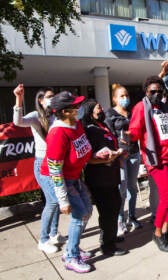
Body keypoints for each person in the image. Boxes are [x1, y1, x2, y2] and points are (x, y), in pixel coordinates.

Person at [128, 76, 168, 252]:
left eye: (160, 91)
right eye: (153, 91)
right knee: (166, 197)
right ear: (146, 91)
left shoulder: (163, 107)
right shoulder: (141, 107)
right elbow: (135, 131)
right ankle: (158, 233)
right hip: (156, 159)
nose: (156, 94)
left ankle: (166, 231)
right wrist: (125, 136)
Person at [40, 91, 93, 273]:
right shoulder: (57, 134)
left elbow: (83, 149)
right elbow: (54, 169)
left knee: (87, 211)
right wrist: (62, 199)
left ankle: (72, 246)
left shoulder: (76, 124)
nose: (79, 108)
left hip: (74, 176)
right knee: (79, 215)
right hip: (61, 179)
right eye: (75, 106)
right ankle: (70, 257)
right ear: (64, 111)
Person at [13, 84, 66, 254]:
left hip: (56, 164)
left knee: (57, 199)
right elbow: (18, 121)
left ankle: (53, 233)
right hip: (42, 165)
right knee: (53, 201)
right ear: (41, 101)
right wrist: (19, 99)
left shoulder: (56, 116)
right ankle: (43, 240)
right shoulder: (36, 116)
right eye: (50, 96)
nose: (53, 99)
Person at [82, 99, 128, 256]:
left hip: (112, 175)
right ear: (90, 111)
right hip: (99, 178)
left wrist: (119, 151)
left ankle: (111, 236)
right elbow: (88, 156)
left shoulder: (104, 125)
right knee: (107, 211)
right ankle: (107, 245)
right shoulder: (88, 130)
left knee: (115, 206)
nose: (101, 109)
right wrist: (107, 157)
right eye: (98, 108)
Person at [105, 84, 142, 237]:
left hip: (134, 154)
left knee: (132, 188)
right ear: (114, 99)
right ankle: (120, 220)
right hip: (120, 157)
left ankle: (132, 217)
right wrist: (117, 153)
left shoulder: (132, 113)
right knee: (122, 190)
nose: (125, 98)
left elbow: (139, 130)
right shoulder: (110, 114)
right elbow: (108, 135)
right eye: (121, 96)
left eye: (126, 95)